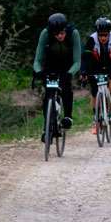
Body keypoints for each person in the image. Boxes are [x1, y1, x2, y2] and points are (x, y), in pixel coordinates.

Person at [33, 13, 82, 141]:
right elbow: (37, 59)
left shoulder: (73, 33)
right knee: (48, 95)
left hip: (67, 65)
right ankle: (47, 128)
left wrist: (70, 73)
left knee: (66, 88)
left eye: (62, 32)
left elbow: (77, 61)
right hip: (51, 65)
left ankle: (68, 117)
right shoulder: (45, 33)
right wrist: (38, 71)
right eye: (56, 34)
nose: (60, 36)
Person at [79, 17, 111, 135]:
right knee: (94, 92)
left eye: (105, 35)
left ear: (109, 33)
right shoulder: (91, 39)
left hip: (110, 64)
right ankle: (95, 119)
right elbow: (85, 57)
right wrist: (83, 72)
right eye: (100, 35)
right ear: (97, 34)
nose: (103, 38)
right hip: (95, 66)